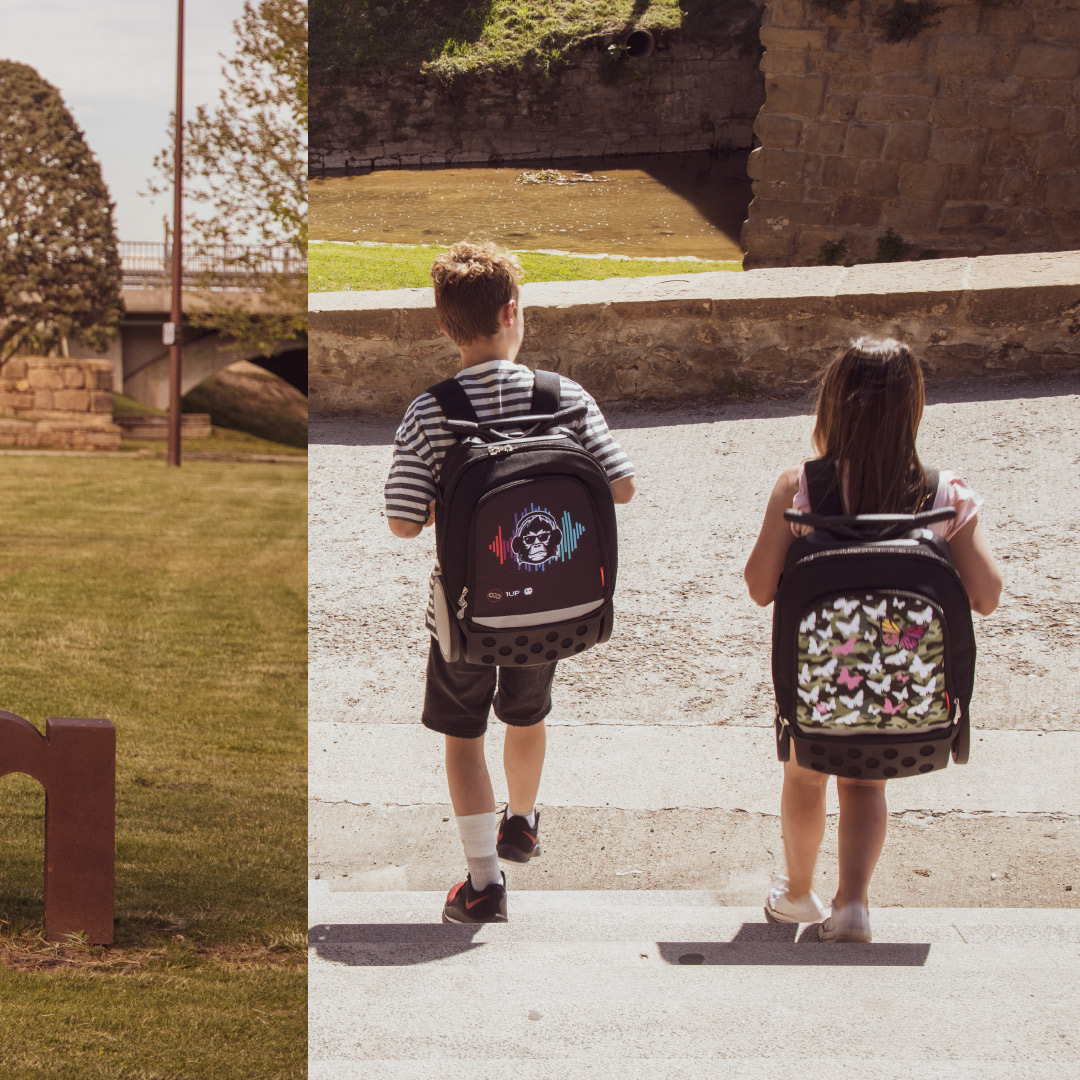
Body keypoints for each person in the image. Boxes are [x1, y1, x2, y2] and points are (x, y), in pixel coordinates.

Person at [384, 241, 635, 923]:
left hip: (466, 615)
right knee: (528, 713)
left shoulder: (432, 411)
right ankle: (521, 818)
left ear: (444, 326)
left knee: (463, 736)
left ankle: (484, 883)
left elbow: (403, 523)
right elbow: (623, 487)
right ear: (513, 311)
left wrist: (449, 504)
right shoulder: (566, 397)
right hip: (552, 601)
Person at [743, 337, 1002, 942]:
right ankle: (853, 902)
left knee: (806, 775)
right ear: (915, 407)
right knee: (865, 781)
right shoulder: (943, 493)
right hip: (900, 684)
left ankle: (800, 892)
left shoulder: (799, 488)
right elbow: (986, 596)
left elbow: (760, 587)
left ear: (831, 404)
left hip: (819, 680)